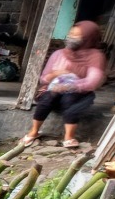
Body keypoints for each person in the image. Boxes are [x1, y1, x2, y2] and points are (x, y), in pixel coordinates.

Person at [23, 20, 106, 149]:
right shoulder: (59, 54)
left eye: (76, 36)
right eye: (71, 34)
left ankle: (69, 136)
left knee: (69, 98)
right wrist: (55, 75)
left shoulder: (96, 56)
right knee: (48, 97)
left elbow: (92, 82)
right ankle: (34, 132)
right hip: (54, 91)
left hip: (80, 93)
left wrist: (70, 86)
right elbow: (44, 79)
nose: (71, 38)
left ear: (88, 38)